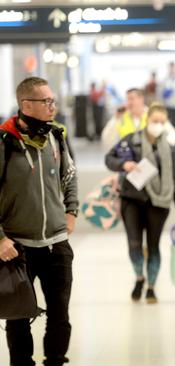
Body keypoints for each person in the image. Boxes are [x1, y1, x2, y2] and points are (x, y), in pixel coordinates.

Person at [0, 76, 79, 366]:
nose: (52, 107)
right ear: (26, 104)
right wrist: (0, 239)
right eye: (46, 101)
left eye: (52, 100)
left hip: (57, 244)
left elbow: (70, 176)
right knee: (18, 317)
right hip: (17, 248)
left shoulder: (56, 136)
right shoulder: (5, 142)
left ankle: (56, 360)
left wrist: (71, 212)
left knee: (60, 315)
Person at [105, 103, 175, 304]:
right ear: (147, 120)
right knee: (134, 244)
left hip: (158, 203)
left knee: (153, 246)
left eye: (162, 122)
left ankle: (151, 287)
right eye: (155, 121)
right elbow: (109, 159)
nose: (158, 125)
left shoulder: (169, 148)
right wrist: (123, 164)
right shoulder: (131, 140)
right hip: (131, 200)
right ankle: (139, 278)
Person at [101, 88, 175, 152]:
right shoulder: (121, 118)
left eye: (131, 99)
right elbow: (106, 139)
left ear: (141, 99)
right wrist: (116, 118)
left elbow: (174, 136)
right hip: (128, 160)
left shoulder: (153, 115)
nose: (128, 103)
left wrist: (159, 149)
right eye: (127, 99)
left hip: (150, 159)